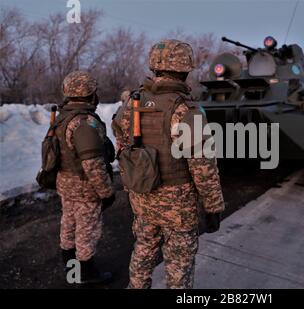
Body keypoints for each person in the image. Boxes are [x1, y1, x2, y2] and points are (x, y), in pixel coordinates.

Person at [112, 40, 225, 289]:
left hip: (142, 196)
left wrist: (133, 177)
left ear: (155, 67)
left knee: (143, 248)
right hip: (178, 205)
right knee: (179, 264)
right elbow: (202, 165)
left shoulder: (133, 102)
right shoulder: (184, 109)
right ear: (185, 70)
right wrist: (213, 206)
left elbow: (121, 142)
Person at [56, 71, 116, 284]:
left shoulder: (63, 117)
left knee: (69, 225)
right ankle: (85, 275)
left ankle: (71, 269)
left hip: (66, 185)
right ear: (90, 93)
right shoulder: (83, 122)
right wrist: (107, 192)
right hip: (84, 189)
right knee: (86, 231)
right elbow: (93, 164)